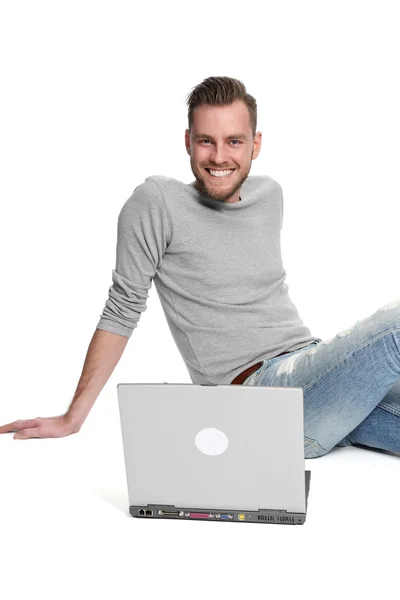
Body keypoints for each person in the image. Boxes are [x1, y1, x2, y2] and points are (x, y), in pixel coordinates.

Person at [1, 77, 400, 460]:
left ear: (255, 145)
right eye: (206, 141)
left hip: (319, 381)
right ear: (188, 142)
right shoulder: (158, 203)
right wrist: (73, 417)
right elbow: (121, 311)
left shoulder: (270, 194)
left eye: (234, 141)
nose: (220, 156)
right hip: (262, 400)